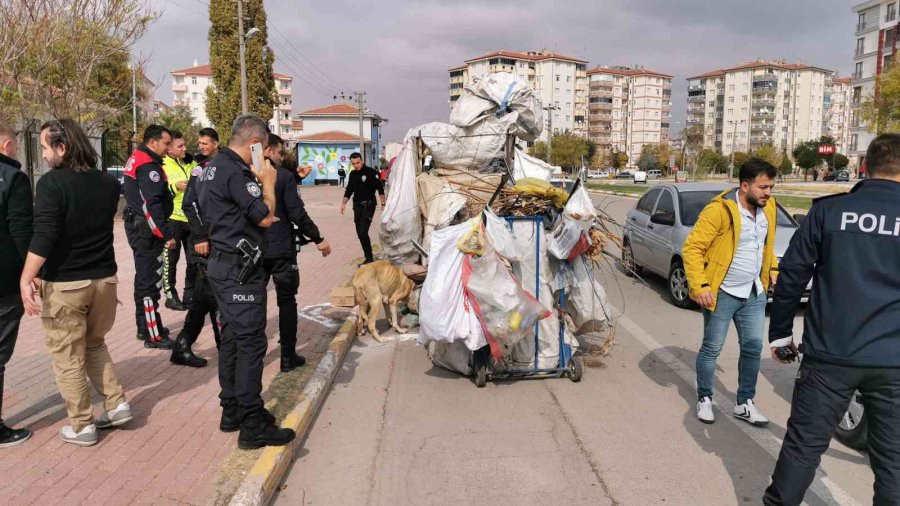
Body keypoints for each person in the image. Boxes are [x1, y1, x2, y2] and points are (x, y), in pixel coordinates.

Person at [763, 134, 900, 505]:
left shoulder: (829, 211)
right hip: (893, 361)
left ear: (865, 167)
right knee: (893, 462)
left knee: (804, 447)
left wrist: (779, 335)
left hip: (830, 356)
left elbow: (791, 274)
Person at [19, 119, 130, 447]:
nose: (42, 155)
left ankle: (82, 425)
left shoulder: (52, 184)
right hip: (104, 281)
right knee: (95, 343)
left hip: (67, 285)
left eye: (44, 147)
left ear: (62, 148)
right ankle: (117, 404)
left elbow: (45, 236)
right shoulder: (108, 184)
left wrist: (26, 278)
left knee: (67, 355)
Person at [197, 115, 295, 449]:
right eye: (265, 149)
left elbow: (193, 206)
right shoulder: (237, 173)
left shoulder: (211, 167)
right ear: (254, 144)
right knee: (251, 343)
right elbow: (266, 217)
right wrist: (267, 182)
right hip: (240, 272)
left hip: (223, 268)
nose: (266, 156)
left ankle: (232, 410)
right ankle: (253, 425)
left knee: (233, 340)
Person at [682, 158, 779, 426]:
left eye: (771, 187)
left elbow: (766, 244)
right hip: (722, 291)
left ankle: (745, 403)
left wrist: (773, 269)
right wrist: (700, 285)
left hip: (754, 292)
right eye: (763, 187)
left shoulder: (768, 208)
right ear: (745, 185)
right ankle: (704, 398)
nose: (768, 193)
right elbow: (692, 249)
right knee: (712, 348)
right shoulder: (719, 211)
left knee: (752, 347)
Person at [262, 134, 332, 372]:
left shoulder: (244, 175)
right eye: (280, 152)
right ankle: (287, 357)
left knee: (254, 302)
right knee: (287, 302)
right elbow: (296, 212)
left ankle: (254, 354)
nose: (282, 157)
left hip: (252, 251)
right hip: (281, 249)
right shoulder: (281, 177)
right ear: (269, 151)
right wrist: (318, 238)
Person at [171, 127, 221, 368]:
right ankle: (226, 348)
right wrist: (201, 236)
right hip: (204, 244)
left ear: (217, 143)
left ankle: (182, 345)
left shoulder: (223, 165)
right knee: (213, 295)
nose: (200, 146)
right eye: (199, 143)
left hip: (219, 241)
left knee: (204, 298)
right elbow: (189, 203)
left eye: (205, 143)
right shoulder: (199, 169)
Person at [122, 125, 176, 349]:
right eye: (166, 143)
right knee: (149, 282)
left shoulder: (140, 158)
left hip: (139, 227)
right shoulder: (147, 164)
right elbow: (150, 204)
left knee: (143, 278)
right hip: (147, 231)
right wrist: (165, 234)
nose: (168, 148)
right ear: (153, 142)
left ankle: (145, 326)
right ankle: (152, 334)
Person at [0, 124, 32, 447]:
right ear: (8, 145)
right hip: (5, 281)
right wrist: (32, 275)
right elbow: (22, 231)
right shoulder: (13, 178)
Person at [161, 130, 197, 311]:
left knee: (193, 260)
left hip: (190, 218)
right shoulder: (162, 165)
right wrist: (174, 187)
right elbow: (157, 193)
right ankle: (170, 295)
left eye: (185, 145)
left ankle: (189, 294)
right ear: (169, 149)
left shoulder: (192, 162)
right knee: (171, 260)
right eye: (180, 146)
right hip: (172, 219)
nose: (185, 149)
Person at [340, 153, 384, 265]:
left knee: (363, 232)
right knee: (360, 234)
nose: (356, 165)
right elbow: (349, 190)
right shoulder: (353, 174)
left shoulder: (371, 172)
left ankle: (369, 258)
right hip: (357, 206)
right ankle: (368, 257)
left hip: (368, 206)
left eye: (357, 163)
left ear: (362, 161)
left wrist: (383, 204)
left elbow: (380, 188)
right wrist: (343, 204)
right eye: (353, 163)